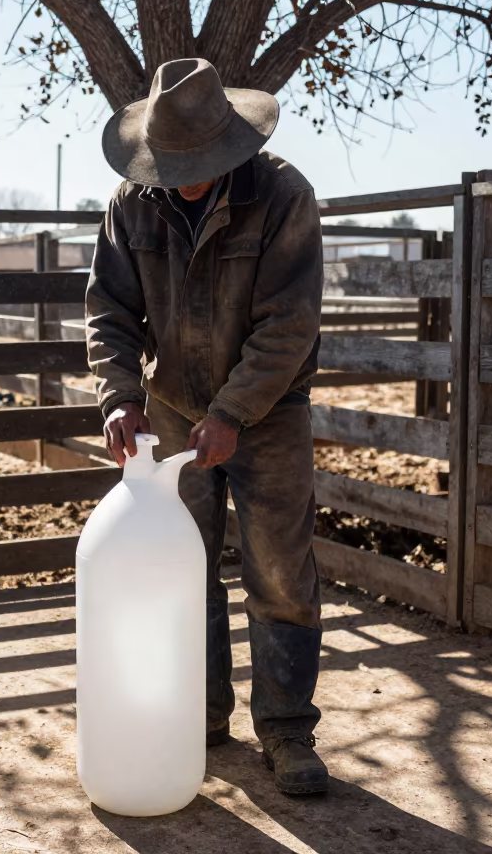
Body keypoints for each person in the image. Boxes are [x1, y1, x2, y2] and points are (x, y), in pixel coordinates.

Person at [85, 58, 327, 795]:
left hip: (269, 411)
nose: (184, 178)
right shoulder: (131, 203)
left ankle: (286, 731)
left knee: (279, 573)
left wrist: (232, 412)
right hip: (168, 409)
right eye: (172, 164)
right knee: (183, 570)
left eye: (198, 164)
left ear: (230, 149)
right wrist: (119, 396)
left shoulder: (284, 196)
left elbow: (289, 325)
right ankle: (200, 714)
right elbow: (111, 312)